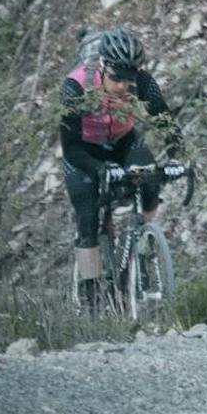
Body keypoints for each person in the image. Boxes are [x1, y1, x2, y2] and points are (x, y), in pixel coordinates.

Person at [60, 27, 176, 313]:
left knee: (149, 178)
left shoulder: (142, 82)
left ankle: (144, 243)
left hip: (122, 142)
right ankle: (92, 300)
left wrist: (177, 158)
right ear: (102, 66)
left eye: (130, 77)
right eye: (117, 78)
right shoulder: (75, 86)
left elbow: (165, 121)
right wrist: (100, 169)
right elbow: (70, 147)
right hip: (84, 150)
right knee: (88, 217)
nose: (125, 86)